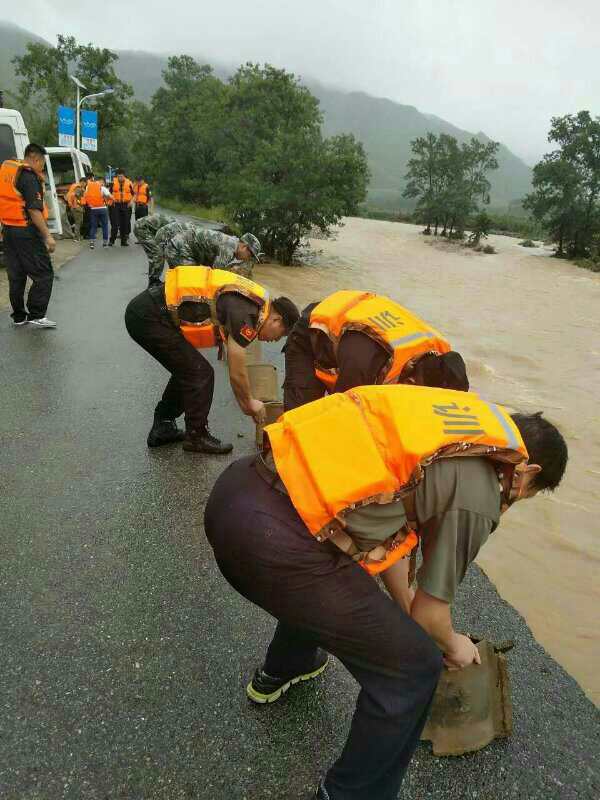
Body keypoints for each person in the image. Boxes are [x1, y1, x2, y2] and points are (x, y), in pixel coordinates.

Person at [203, 385, 568, 800]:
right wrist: (454, 644)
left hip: (236, 493)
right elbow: (433, 618)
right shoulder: (482, 493)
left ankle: (283, 668)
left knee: (336, 575)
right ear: (529, 472)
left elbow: (387, 547)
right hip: (272, 547)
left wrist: (406, 616)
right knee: (412, 668)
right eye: (530, 496)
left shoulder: (455, 426)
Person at [124, 265, 299, 453]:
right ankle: (196, 436)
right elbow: (237, 368)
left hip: (150, 311)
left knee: (189, 369)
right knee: (200, 373)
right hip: (149, 316)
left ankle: (163, 425)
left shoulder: (256, 303)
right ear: (277, 320)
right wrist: (248, 402)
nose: (274, 340)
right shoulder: (248, 312)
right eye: (280, 335)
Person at [283, 290, 469, 411]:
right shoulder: (366, 361)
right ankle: (277, 462)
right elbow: (341, 411)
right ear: (413, 380)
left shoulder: (437, 354)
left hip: (351, 333)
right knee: (303, 413)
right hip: (313, 331)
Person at [0, 143, 57, 328]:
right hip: (26, 232)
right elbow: (34, 210)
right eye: (42, 163)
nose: (42, 167)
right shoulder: (29, 177)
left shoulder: (9, 171)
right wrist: (48, 236)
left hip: (8, 231)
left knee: (16, 275)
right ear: (35, 158)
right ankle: (37, 314)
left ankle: (18, 316)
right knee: (44, 273)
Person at [164, 226, 262, 276]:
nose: (248, 258)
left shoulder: (232, 243)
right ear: (244, 247)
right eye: (250, 255)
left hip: (183, 250)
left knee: (187, 280)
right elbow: (216, 276)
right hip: (178, 250)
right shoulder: (229, 248)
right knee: (189, 281)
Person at [132, 212, 176, 286]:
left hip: (149, 229)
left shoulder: (178, 228)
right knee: (157, 254)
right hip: (142, 228)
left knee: (160, 253)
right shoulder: (176, 229)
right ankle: (153, 282)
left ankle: (154, 278)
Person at [83, 176, 112, 249]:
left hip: (93, 209)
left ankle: (92, 242)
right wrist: (108, 200)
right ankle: (105, 243)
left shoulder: (88, 188)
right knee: (105, 226)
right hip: (103, 209)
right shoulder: (103, 188)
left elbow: (85, 196)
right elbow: (110, 196)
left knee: (93, 226)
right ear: (101, 182)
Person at [110, 169, 134, 246]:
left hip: (126, 205)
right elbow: (108, 193)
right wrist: (110, 203)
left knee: (125, 223)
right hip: (115, 205)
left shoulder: (129, 183)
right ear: (117, 176)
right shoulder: (113, 183)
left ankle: (123, 242)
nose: (120, 178)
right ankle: (112, 240)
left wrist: (131, 201)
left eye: (121, 176)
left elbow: (134, 194)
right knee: (115, 224)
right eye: (119, 176)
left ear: (124, 176)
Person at [65, 177, 87, 241]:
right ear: (83, 182)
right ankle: (76, 238)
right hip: (77, 207)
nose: (85, 185)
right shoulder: (79, 188)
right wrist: (82, 192)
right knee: (78, 223)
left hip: (75, 207)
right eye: (85, 183)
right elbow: (76, 195)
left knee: (79, 222)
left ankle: (77, 235)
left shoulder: (76, 187)